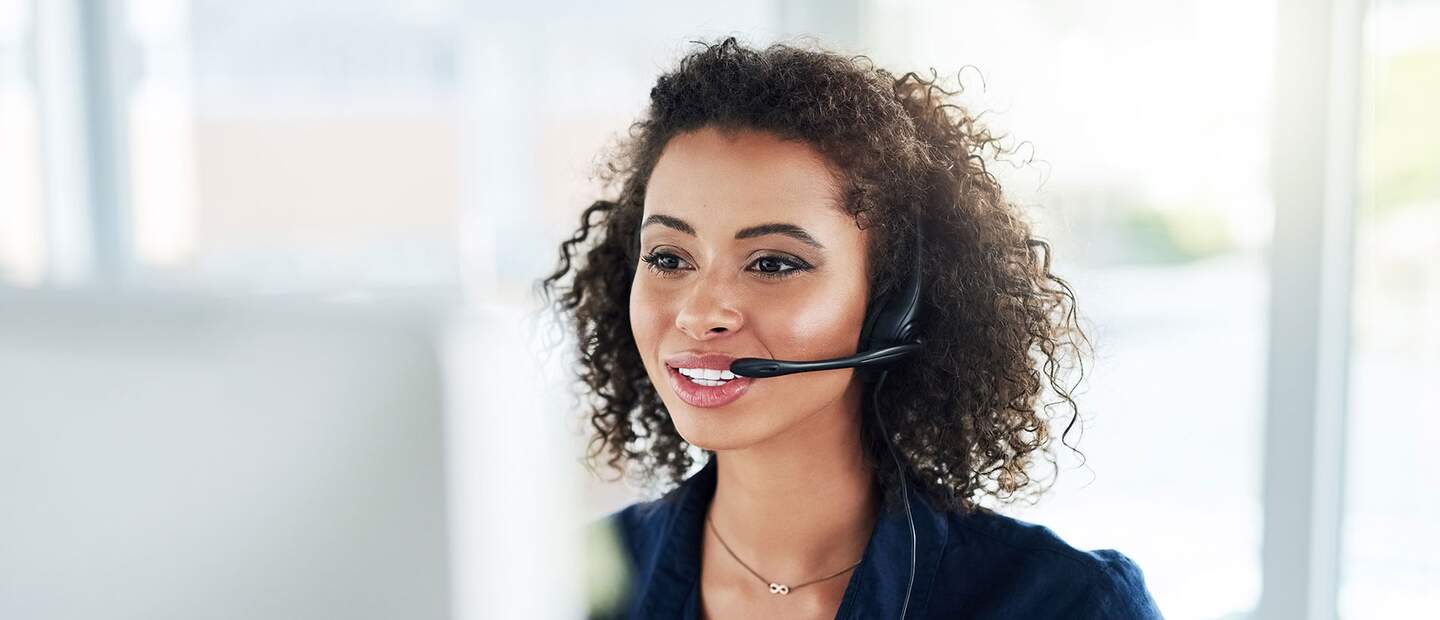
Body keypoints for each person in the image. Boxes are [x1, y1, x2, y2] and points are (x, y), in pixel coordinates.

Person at [539, 36, 1164, 620]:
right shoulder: (558, 586)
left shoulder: (1062, 602)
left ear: (893, 304)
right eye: (669, 259)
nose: (699, 314)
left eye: (772, 264)